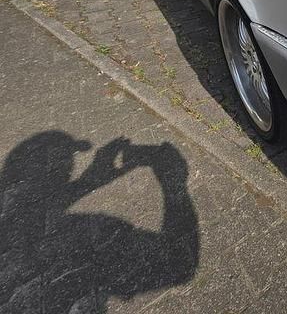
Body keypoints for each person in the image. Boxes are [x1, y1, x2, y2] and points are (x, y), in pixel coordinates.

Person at [0, 131, 199, 313]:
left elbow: (31, 217)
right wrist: (174, 182)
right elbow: (181, 266)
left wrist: (90, 180)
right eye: (58, 158)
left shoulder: (14, 231)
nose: (66, 163)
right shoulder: (82, 232)